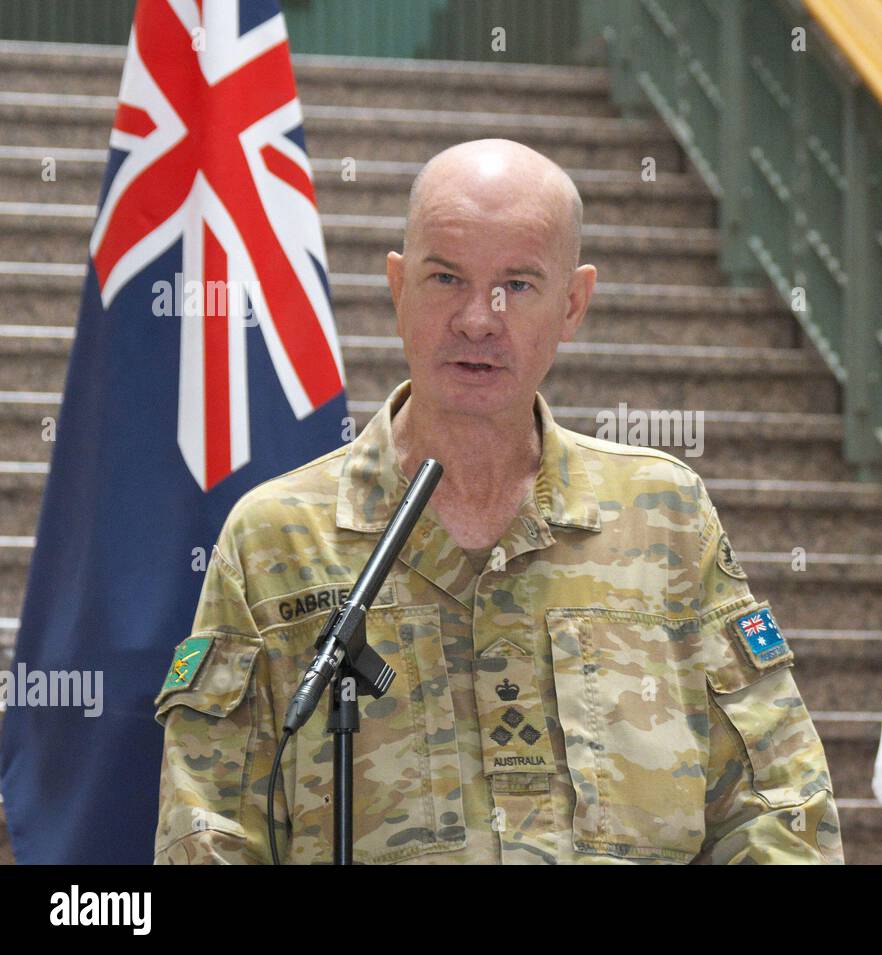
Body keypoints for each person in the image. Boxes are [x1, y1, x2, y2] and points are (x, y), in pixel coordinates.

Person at [153, 138, 843, 864]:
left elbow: (781, 803)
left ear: (573, 303)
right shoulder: (276, 542)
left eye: (517, 284)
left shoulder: (664, 515)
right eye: (446, 277)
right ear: (398, 286)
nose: (479, 318)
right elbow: (208, 835)